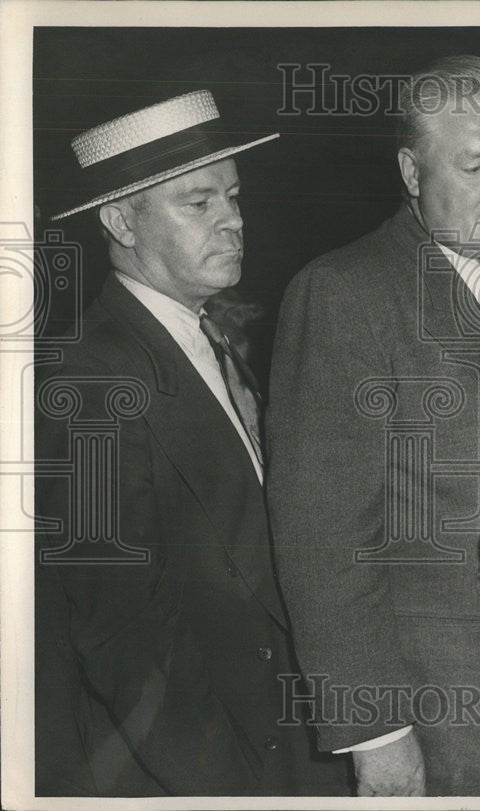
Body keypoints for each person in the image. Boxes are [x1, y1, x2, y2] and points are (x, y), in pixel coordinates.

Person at [34, 90, 349, 796]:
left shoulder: (213, 341)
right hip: (204, 764)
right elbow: (117, 629)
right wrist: (224, 778)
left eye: (233, 197)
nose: (234, 221)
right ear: (120, 220)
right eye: (198, 203)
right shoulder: (89, 376)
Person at [266, 55, 480, 797]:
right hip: (440, 729)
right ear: (411, 171)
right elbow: (323, 543)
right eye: (476, 163)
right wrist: (378, 737)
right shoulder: (342, 292)